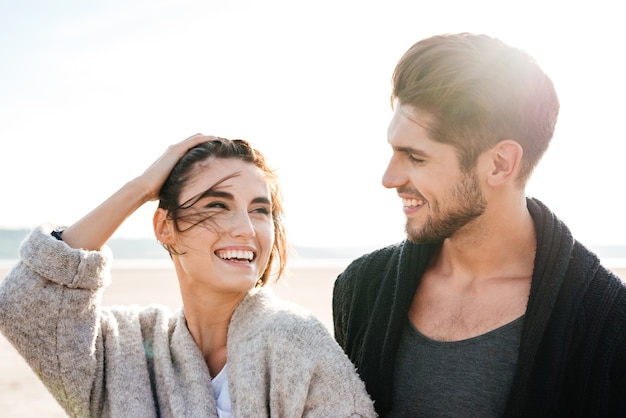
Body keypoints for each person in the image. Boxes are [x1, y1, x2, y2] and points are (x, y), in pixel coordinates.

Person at [332, 33, 626, 417]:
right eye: (394, 150)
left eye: (416, 157)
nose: (389, 178)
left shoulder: (608, 325)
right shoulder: (361, 289)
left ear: (500, 164)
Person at [0, 134, 376, 418]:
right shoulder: (129, 349)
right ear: (164, 226)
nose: (246, 228)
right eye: (217, 205)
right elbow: (26, 306)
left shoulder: (296, 345)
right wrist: (141, 188)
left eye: (260, 210)